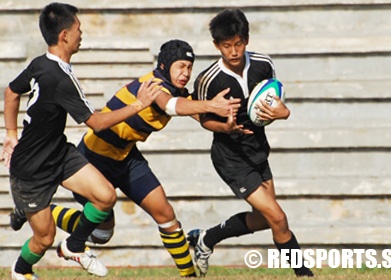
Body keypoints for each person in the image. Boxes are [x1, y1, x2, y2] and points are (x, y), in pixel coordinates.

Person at [9, 39, 241, 278]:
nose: (186, 73)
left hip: (126, 156)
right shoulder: (154, 85)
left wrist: (227, 127)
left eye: (190, 67)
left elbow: (197, 114)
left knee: (166, 215)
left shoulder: (178, 91)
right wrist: (212, 104)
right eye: (181, 66)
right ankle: (31, 211)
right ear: (165, 64)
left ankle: (189, 276)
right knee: (101, 235)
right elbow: (171, 106)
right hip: (94, 158)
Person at [1, 3, 162, 280]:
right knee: (44, 238)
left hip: (59, 154)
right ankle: (21, 270)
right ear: (64, 35)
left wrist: (11, 134)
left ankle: (74, 246)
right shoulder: (60, 78)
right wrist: (139, 104)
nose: (81, 33)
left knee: (105, 196)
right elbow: (96, 123)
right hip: (31, 170)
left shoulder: (41, 63)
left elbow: (12, 91)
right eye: (78, 29)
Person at [187, 8, 314, 277]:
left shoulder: (263, 64)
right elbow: (201, 117)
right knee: (278, 218)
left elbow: (274, 103)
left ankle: (206, 238)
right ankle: (304, 274)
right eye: (226, 46)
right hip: (230, 156)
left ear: (246, 39)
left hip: (257, 150)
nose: (233, 51)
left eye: (238, 44)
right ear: (216, 45)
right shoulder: (208, 79)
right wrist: (225, 126)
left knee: (266, 219)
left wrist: (285, 112)